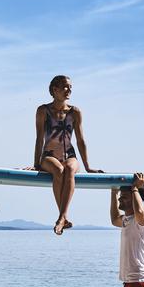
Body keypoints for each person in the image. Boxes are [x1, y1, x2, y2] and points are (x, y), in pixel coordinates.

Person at [32, 75, 102, 235]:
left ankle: (62, 217)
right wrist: (36, 164)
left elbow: (81, 141)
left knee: (70, 168)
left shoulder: (75, 112)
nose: (69, 89)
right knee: (58, 170)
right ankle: (63, 216)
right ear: (54, 90)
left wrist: (88, 167)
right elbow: (39, 138)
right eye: (65, 86)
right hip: (49, 156)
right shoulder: (43, 110)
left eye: (70, 87)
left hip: (70, 154)